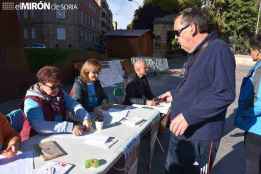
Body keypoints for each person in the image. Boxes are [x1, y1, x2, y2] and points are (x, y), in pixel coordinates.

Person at [159, 8, 235, 174]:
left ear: (192, 28)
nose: (176, 39)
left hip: (200, 137)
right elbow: (195, 85)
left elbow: (224, 93)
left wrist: (189, 116)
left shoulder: (218, 50)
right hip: (181, 134)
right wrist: (174, 94)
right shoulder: (197, 53)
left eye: (177, 33)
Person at [24, 66, 92, 136]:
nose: (56, 89)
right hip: (37, 138)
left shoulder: (59, 92)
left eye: (58, 86)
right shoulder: (32, 100)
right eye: (52, 87)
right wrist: (69, 127)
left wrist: (85, 117)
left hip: (59, 134)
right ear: (41, 84)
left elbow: (73, 104)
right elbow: (39, 126)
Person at [235, 34, 261, 174]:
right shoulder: (257, 68)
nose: (249, 52)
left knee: (253, 168)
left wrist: (244, 113)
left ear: (258, 51)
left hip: (256, 129)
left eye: (251, 49)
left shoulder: (260, 71)